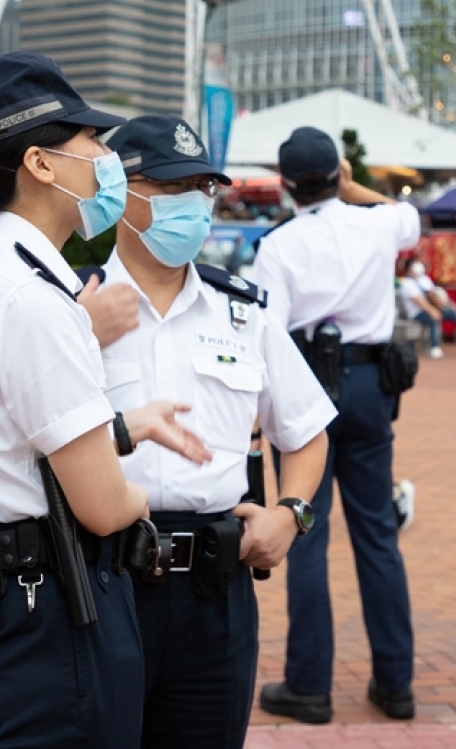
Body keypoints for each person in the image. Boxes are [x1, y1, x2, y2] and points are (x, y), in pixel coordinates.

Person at [0, 51, 211, 748]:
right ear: (41, 165)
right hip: (45, 621)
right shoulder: (33, 298)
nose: (106, 160)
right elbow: (104, 506)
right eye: (93, 144)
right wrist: (151, 501)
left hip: (8, 605)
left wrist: (119, 428)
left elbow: (17, 439)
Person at [94, 114, 332, 749]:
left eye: (201, 190)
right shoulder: (73, 306)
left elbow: (307, 432)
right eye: (171, 189)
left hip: (214, 587)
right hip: (102, 579)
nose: (192, 207)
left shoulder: (243, 313)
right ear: (120, 193)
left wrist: (292, 514)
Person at [251, 126, 421, 725]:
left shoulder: (277, 246)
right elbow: (407, 215)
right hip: (372, 386)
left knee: (306, 533)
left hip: (305, 387)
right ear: (339, 173)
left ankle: (309, 686)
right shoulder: (375, 223)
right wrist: (357, 189)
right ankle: (396, 683)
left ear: (286, 185)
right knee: (378, 533)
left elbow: (265, 332)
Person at [398, 258, 456, 358]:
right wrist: (432, 311)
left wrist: (449, 305)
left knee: (452, 313)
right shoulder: (407, 284)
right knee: (433, 319)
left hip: (431, 308)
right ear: (409, 268)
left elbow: (434, 295)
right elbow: (419, 301)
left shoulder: (424, 279)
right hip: (416, 313)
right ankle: (434, 347)